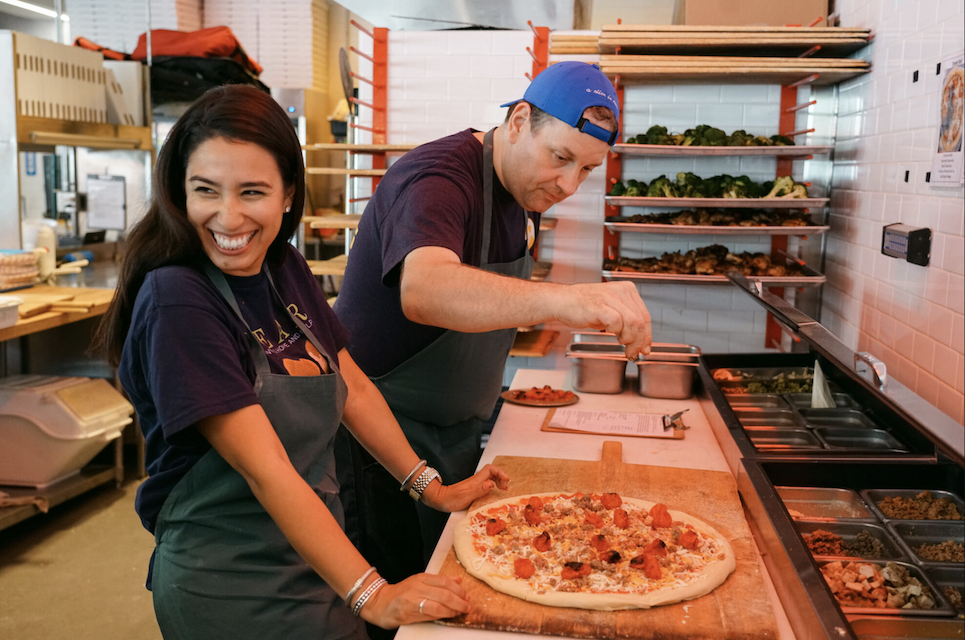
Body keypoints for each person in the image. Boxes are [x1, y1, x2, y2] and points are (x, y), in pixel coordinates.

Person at [92, 84, 509, 640]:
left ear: (289, 193)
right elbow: (266, 471)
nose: (229, 216)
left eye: (252, 192)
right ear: (178, 192)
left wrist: (430, 488)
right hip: (229, 582)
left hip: (314, 558)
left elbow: (352, 389)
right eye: (206, 191)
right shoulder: (180, 300)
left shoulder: (281, 266)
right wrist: (374, 594)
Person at [332, 61, 653, 605]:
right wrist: (570, 299)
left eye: (588, 170)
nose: (569, 185)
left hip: (454, 438)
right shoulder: (438, 177)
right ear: (520, 120)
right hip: (379, 446)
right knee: (401, 609)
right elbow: (426, 289)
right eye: (561, 158)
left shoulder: (523, 196)